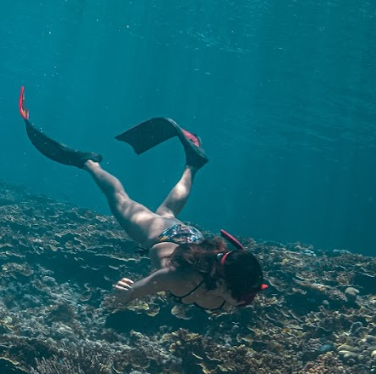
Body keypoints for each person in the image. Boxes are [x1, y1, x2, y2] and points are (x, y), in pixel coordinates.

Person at [18, 87, 268, 312]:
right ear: (223, 282)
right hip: (162, 237)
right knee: (119, 199)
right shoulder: (176, 276)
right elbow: (128, 296)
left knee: (167, 212)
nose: (248, 301)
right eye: (245, 297)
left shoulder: (227, 285)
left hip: (189, 238)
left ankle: (193, 164)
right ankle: (88, 162)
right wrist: (123, 293)